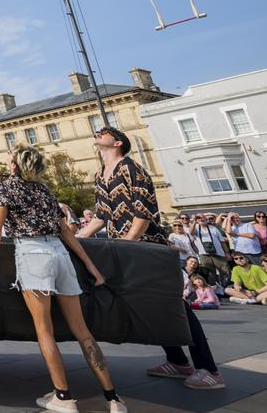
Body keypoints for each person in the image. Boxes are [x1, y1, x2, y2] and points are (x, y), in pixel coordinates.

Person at [0, 146, 124, 413]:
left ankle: (63, 396)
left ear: (14, 166)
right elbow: (66, 232)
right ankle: (113, 398)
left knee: (45, 331)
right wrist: (91, 265)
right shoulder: (44, 190)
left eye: (9, 158)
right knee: (83, 332)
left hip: (32, 253)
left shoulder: (6, 187)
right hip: (60, 254)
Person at [78, 127, 224, 390]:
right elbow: (101, 216)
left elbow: (143, 212)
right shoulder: (100, 175)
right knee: (149, 307)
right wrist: (76, 239)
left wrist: (129, 243)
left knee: (173, 306)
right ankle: (178, 362)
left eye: (103, 133)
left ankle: (209, 370)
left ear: (118, 142)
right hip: (122, 249)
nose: (96, 135)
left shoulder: (133, 169)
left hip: (147, 248)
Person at [190, 213, 230, 284]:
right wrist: (194, 221)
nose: (201, 219)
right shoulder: (196, 228)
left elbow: (222, 242)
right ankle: (214, 289)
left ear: (206, 219)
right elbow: (191, 232)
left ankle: (228, 286)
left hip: (218, 254)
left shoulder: (213, 228)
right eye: (199, 218)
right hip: (204, 255)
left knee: (225, 271)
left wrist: (226, 253)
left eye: (203, 217)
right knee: (209, 274)